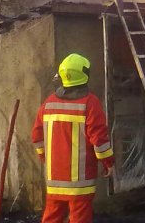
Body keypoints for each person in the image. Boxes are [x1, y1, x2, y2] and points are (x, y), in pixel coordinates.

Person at [32, 53, 115, 223]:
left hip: (54, 177)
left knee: (52, 217)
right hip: (80, 181)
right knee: (80, 218)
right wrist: (109, 163)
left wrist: (45, 158)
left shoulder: (48, 103)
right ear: (85, 74)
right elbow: (99, 140)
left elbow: (37, 137)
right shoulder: (90, 103)